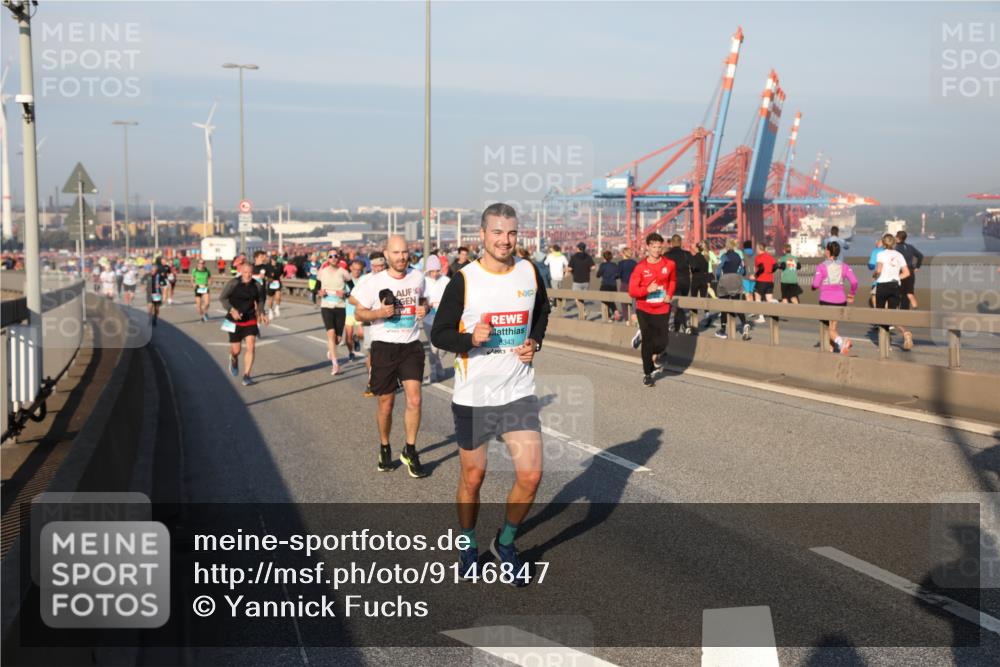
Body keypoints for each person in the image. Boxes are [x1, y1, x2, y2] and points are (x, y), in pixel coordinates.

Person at [431, 203, 550, 585]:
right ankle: (467, 544)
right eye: (497, 232)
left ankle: (506, 543)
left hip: (517, 390)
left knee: (531, 475)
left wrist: (534, 341)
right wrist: (470, 339)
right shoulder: (464, 280)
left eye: (511, 233)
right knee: (474, 476)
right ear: (482, 235)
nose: (505, 240)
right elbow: (439, 333)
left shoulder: (530, 272)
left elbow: (542, 312)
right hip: (475, 396)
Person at [350, 235, 428, 478]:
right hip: (384, 346)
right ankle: (385, 446)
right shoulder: (374, 282)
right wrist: (379, 313)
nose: (402, 257)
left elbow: (422, 299)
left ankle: (411, 450)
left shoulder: (418, 276)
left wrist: (425, 308)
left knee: (414, 400)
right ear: (386, 255)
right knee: (386, 404)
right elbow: (359, 313)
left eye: (405, 252)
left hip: (411, 345)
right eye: (396, 253)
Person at [628, 232, 677, 387]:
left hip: (662, 307)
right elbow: (632, 291)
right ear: (648, 247)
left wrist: (669, 294)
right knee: (648, 342)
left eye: (659, 246)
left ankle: (647, 345)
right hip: (644, 308)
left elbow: (673, 280)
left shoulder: (669, 264)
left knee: (662, 342)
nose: (657, 250)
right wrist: (647, 289)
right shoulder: (640, 268)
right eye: (654, 247)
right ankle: (647, 374)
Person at [219, 259, 268, 386]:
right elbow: (222, 298)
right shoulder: (233, 283)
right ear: (241, 271)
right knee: (236, 350)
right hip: (233, 320)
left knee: (251, 345)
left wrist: (262, 312)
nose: (248, 275)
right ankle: (233, 358)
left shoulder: (257, 285)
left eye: (250, 273)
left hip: (250, 318)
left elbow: (261, 300)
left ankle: (247, 375)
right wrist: (231, 309)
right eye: (245, 272)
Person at [812, 241, 858, 354]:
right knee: (833, 327)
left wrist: (813, 287)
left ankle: (841, 342)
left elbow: (815, 284)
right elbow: (854, 282)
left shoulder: (821, 266)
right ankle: (832, 349)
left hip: (826, 300)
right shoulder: (845, 266)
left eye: (825, 249)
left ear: (828, 251)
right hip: (841, 300)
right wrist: (851, 294)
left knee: (827, 329)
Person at [354, 252, 387, 396]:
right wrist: (369, 306)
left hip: (389, 321)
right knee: (372, 353)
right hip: (370, 321)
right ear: (371, 265)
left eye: (382, 265)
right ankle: (371, 380)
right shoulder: (365, 280)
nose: (379, 269)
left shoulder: (391, 277)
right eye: (375, 266)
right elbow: (352, 300)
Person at [874, 233, 913, 350]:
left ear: (884, 243)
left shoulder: (880, 254)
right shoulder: (899, 255)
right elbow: (907, 273)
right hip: (895, 286)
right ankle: (905, 333)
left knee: (881, 315)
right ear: (894, 243)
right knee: (892, 314)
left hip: (882, 286)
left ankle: (885, 344)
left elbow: (879, 270)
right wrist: (896, 277)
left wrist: (875, 275)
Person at [317, 250, 352, 375]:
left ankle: (331, 351)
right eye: (330, 256)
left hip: (340, 306)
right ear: (327, 258)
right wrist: (319, 292)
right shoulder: (322, 272)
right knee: (330, 334)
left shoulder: (343, 272)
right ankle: (335, 365)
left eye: (335, 256)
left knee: (337, 339)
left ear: (339, 258)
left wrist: (345, 293)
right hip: (326, 306)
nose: (333, 258)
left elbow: (353, 289)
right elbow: (316, 287)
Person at [714, 238, 751, 341]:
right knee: (736, 304)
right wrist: (738, 275)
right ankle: (744, 323)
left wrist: (718, 279)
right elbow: (743, 271)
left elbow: (718, 269)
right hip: (736, 280)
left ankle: (722, 330)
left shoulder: (724, 256)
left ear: (727, 246)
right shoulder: (739, 256)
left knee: (724, 305)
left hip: (725, 280)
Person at [422, 254, 450, 382]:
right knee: (434, 347)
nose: (434, 274)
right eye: (431, 271)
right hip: (428, 319)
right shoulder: (423, 281)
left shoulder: (445, 280)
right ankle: (434, 373)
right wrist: (426, 305)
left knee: (443, 346)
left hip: (443, 318)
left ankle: (439, 368)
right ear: (427, 270)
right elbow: (421, 299)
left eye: (437, 271)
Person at [665, 235, 692, 333]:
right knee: (683, 302)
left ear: (671, 243)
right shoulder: (687, 254)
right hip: (685, 282)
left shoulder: (667, 255)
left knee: (674, 303)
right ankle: (687, 324)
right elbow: (695, 266)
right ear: (681, 242)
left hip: (673, 282)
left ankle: (671, 324)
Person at [895, 230, 924, 310]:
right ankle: (915, 310)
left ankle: (898, 313)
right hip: (911, 272)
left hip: (901, 272)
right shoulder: (910, 247)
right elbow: (920, 256)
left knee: (898, 294)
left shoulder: (896, 249)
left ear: (897, 238)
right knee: (909, 293)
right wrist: (917, 267)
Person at [343, 259, 365, 361]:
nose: (357, 271)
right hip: (349, 312)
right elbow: (341, 292)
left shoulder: (364, 279)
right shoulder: (346, 280)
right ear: (350, 268)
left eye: (359, 270)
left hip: (360, 311)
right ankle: (350, 352)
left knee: (361, 334)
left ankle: (356, 339)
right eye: (355, 269)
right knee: (348, 337)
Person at [568, 242, 596, 320]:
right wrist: (587, 269)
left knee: (576, 298)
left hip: (577, 280)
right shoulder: (588, 256)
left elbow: (570, 268)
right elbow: (593, 267)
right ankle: (582, 312)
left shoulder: (574, 257)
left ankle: (583, 311)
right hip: (586, 280)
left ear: (578, 248)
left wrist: (570, 271)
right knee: (582, 298)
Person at [753, 242, 778, 322]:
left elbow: (761, 268)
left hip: (761, 280)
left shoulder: (758, 257)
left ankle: (761, 317)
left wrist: (755, 276)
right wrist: (770, 272)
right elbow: (776, 266)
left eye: (756, 248)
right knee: (769, 299)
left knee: (757, 297)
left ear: (759, 249)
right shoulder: (770, 257)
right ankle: (775, 302)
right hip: (770, 280)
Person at [689, 242, 711, 330]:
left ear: (697, 249)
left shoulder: (693, 258)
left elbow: (692, 269)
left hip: (695, 279)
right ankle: (707, 315)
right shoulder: (706, 257)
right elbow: (707, 269)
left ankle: (694, 321)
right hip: (704, 279)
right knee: (703, 298)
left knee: (694, 298)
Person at [596, 250, 620, 321]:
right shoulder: (615, 265)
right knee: (611, 300)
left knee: (604, 300)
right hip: (613, 285)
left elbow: (598, 275)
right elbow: (618, 275)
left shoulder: (603, 265)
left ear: (604, 257)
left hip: (605, 285)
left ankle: (609, 316)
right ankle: (614, 311)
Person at [617, 247, 637, 324]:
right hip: (633, 284)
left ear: (624, 253)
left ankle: (627, 320)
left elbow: (618, 274)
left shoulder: (621, 263)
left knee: (624, 303)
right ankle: (634, 317)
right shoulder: (634, 263)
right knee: (634, 302)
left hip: (624, 284)